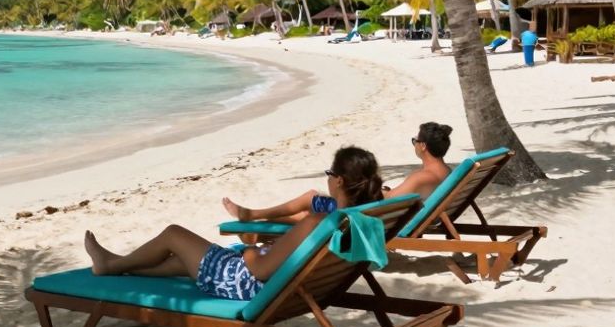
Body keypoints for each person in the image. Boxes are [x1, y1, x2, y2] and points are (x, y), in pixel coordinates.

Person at [84, 147, 383, 301]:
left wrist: (250, 250)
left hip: (246, 285)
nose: (327, 178)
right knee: (181, 262)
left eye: (330, 173)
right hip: (295, 290)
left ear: (340, 180)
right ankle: (121, 264)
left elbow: (261, 269)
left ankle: (109, 266)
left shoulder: (321, 220)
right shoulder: (362, 219)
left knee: (174, 234)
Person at [222, 123, 454, 224]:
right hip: (392, 217)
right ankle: (256, 217)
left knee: (310, 199)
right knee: (309, 213)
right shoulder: (446, 172)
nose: (414, 143)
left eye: (415, 140)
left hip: (377, 218)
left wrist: (378, 189)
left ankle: (253, 215)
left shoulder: (422, 177)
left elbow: (389, 201)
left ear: (422, 146)